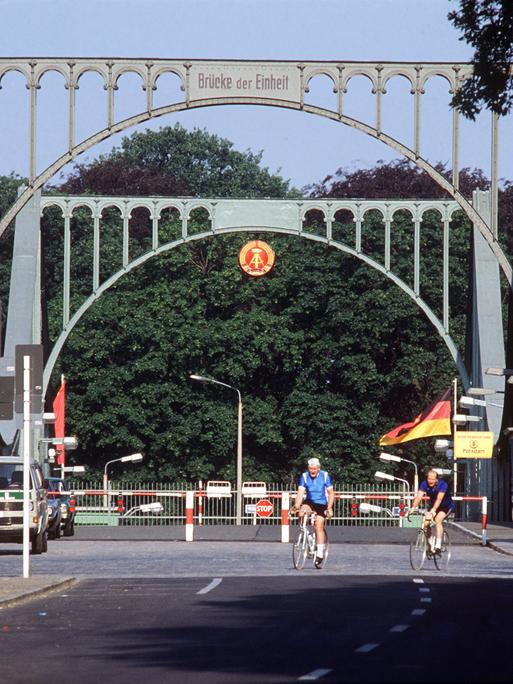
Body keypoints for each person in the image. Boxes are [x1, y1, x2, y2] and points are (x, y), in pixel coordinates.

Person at [290, 457, 334, 569]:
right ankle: (306, 535)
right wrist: (296, 506)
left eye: (314, 469)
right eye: (310, 468)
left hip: (322, 503)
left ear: (318, 468)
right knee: (301, 513)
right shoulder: (304, 476)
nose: (312, 471)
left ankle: (319, 553)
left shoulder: (325, 476)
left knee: (318, 525)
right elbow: (300, 493)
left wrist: (329, 508)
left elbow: (331, 493)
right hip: (310, 502)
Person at [410, 469, 455, 555]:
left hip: (446, 506)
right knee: (425, 523)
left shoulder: (443, 485)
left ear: (436, 479)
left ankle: (438, 545)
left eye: (432, 479)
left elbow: (439, 499)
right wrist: (413, 508)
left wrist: (433, 510)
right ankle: (430, 545)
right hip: (433, 506)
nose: (430, 481)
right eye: (429, 479)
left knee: (438, 520)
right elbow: (419, 497)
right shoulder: (424, 484)